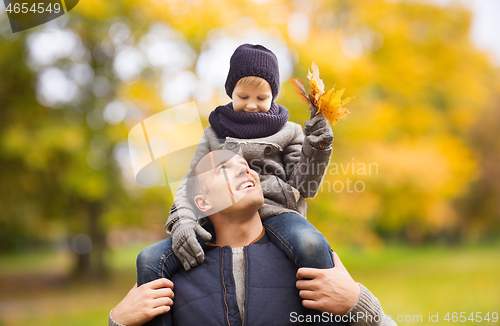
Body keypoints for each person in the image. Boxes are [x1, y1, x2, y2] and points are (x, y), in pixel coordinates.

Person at [109, 150, 396, 326]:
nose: (245, 169)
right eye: (224, 169)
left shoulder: (311, 268)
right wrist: (118, 323)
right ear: (203, 203)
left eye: (245, 165)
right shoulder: (171, 282)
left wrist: (359, 305)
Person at [141, 43, 336, 284]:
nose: (251, 104)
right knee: (150, 259)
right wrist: (183, 220)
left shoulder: (289, 131)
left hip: (277, 211)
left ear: (273, 96)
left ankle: (325, 313)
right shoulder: (214, 133)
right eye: (243, 96)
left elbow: (304, 185)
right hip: (222, 216)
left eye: (261, 98)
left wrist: (318, 147)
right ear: (231, 92)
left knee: (312, 243)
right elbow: (192, 180)